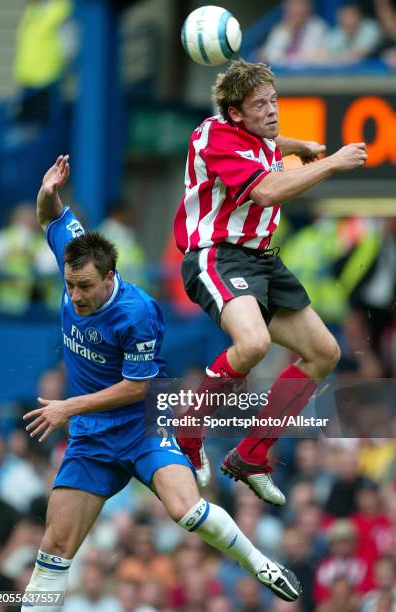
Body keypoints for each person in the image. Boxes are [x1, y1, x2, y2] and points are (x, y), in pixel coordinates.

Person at [20, 155, 302, 611]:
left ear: (110, 276)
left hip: (141, 425)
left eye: (85, 287)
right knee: (54, 549)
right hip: (92, 438)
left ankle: (258, 563)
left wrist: (67, 407)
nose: (76, 296)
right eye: (70, 285)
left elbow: (136, 388)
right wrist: (49, 190)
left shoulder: (137, 314)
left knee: (186, 511)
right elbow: (49, 217)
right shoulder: (75, 256)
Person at [173, 59, 367, 505]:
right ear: (236, 113)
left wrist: (299, 144)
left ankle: (251, 455)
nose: (272, 110)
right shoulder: (214, 137)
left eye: (274, 100)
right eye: (260, 105)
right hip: (216, 255)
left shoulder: (255, 132)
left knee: (324, 353)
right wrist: (333, 163)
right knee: (254, 343)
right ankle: (188, 429)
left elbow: (270, 144)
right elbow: (266, 190)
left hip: (259, 260)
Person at [258, 0, 327, 66]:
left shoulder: (318, 27)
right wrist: (290, 32)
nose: (297, 10)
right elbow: (272, 56)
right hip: (282, 74)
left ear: (308, 7)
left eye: (301, 5)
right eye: (293, 5)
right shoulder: (280, 28)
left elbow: (310, 58)